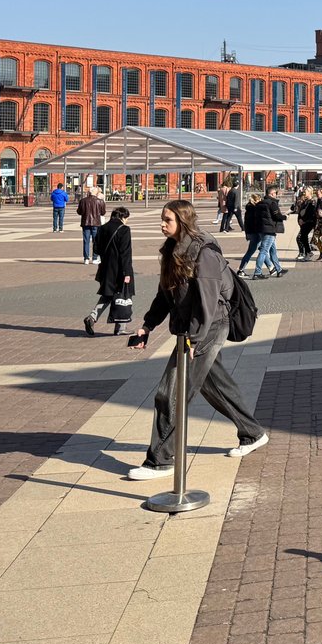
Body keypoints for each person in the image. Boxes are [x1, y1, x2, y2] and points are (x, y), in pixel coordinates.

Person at [124, 201, 269, 480]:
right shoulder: (171, 250)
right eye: (162, 219)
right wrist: (147, 326)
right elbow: (165, 294)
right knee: (215, 386)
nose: (162, 224)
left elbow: (208, 301)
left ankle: (160, 461)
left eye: (167, 219)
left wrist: (194, 340)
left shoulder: (204, 253)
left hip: (209, 327)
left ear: (183, 221)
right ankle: (252, 433)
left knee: (171, 392)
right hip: (193, 329)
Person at [85, 206, 135, 335]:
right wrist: (127, 273)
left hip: (106, 267)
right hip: (120, 268)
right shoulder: (124, 229)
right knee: (123, 295)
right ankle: (120, 328)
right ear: (123, 217)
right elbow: (125, 253)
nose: (127, 221)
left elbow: (96, 249)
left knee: (108, 295)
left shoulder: (102, 228)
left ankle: (92, 317)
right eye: (127, 218)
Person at [253, 186, 288, 279]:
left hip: (262, 229)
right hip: (270, 230)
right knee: (264, 251)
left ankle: (278, 269)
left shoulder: (260, 203)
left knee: (273, 251)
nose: (276, 195)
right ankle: (257, 272)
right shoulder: (272, 203)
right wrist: (285, 217)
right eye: (275, 193)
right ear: (272, 194)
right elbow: (277, 216)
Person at [236, 192, 265, 274]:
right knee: (255, 251)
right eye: (259, 200)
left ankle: (271, 268)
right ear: (256, 200)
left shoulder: (249, 209)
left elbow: (246, 223)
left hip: (251, 233)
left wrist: (247, 234)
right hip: (255, 233)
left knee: (262, 250)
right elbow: (254, 222)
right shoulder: (254, 209)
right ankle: (241, 269)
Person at [78, 185, 107, 265]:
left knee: (86, 241)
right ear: (96, 192)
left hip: (85, 223)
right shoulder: (100, 201)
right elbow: (103, 212)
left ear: (89, 192)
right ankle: (94, 258)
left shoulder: (83, 201)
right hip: (96, 223)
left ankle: (86, 259)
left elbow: (79, 212)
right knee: (96, 241)